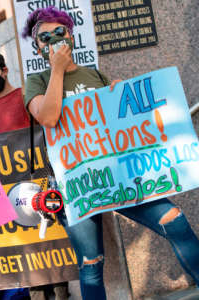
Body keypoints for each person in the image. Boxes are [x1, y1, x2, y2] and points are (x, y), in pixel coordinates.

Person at [22, 6, 199, 300]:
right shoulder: (37, 81)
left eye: (59, 32)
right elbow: (49, 117)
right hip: (77, 186)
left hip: (118, 177)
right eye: (44, 37)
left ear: (71, 35)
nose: (53, 39)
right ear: (37, 47)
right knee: (91, 263)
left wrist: (117, 96)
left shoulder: (95, 75)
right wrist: (56, 69)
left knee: (174, 219)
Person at [0, 50, 69, 300]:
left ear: (4, 70)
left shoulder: (27, 96)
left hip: (43, 191)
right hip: (12, 201)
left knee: (56, 264)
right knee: (30, 274)